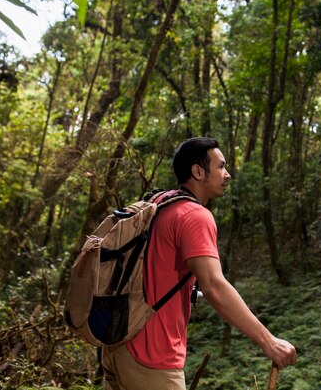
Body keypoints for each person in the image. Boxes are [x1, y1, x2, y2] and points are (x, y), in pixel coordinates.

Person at [102, 137, 297, 390]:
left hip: (117, 344)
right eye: (220, 167)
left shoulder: (159, 202)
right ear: (198, 171)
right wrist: (268, 341)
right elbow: (215, 285)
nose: (227, 175)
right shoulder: (195, 215)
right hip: (152, 355)